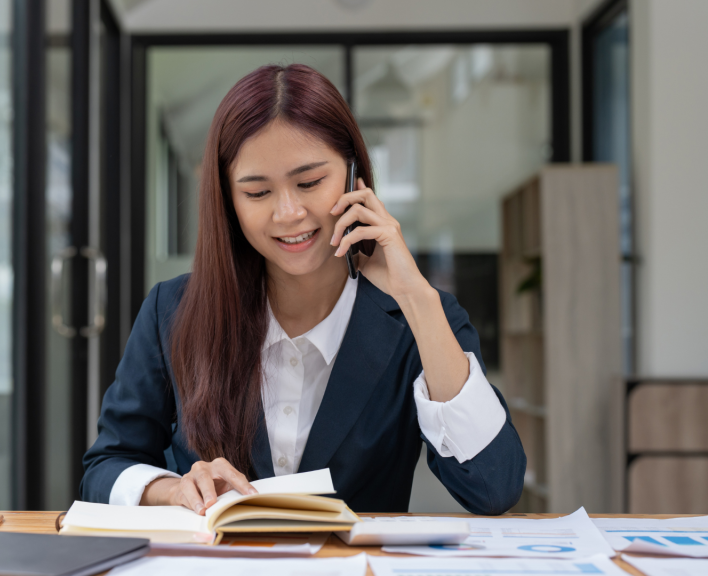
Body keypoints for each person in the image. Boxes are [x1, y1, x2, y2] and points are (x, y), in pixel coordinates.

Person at [81, 63, 525, 515]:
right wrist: (170, 489)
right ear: (228, 201)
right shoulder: (172, 311)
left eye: (310, 182)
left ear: (355, 175)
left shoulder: (419, 318)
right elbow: (105, 467)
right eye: (257, 193)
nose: (289, 213)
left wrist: (417, 299)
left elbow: (494, 488)